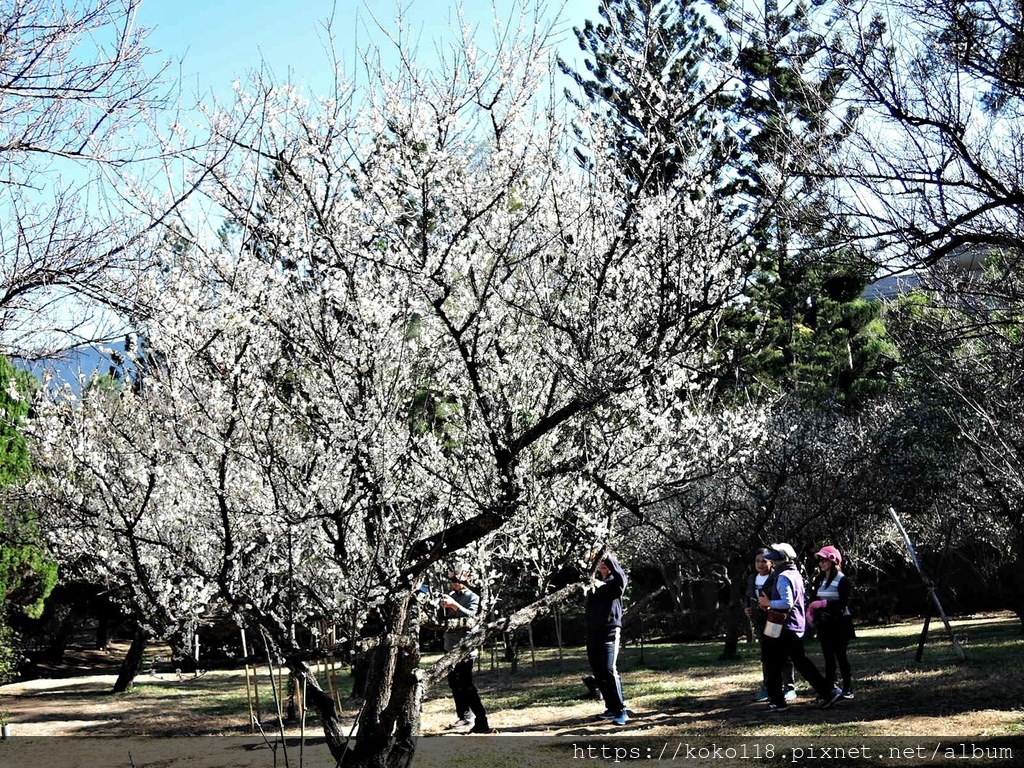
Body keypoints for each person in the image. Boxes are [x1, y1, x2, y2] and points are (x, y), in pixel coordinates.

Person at [757, 543, 844, 712]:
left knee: (773, 663)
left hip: (782, 625)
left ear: (782, 560)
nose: (772, 562)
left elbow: (786, 603)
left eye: (775, 559)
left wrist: (769, 603)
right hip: (792, 625)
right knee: (801, 662)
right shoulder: (795, 573)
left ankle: (778, 702)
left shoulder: (783, 577)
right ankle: (828, 691)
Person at [440, 566, 493, 734]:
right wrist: (439, 605)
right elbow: (442, 620)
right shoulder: (452, 596)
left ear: (465, 578)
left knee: (467, 686)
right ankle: (464, 717)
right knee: (454, 685)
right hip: (449, 647)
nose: (454, 584)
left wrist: (454, 606)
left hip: (465, 648)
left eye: (456, 580)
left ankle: (481, 721)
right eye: (452, 581)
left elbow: (472, 617)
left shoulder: (473, 597)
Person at [745, 548, 796, 702]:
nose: (760, 564)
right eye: (757, 561)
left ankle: (789, 686)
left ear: (771, 562)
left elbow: (784, 600)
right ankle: (768, 686)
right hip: (759, 622)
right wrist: (748, 609)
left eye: (764, 561)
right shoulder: (752, 578)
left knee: (783, 654)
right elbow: (749, 597)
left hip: (775, 619)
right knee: (766, 656)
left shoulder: (777, 577)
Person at [585, 552, 629, 726]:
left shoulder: (616, 582)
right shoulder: (592, 584)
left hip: (610, 632)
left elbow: (622, 578)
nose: (603, 564)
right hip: (593, 633)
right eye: (600, 562)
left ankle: (621, 710)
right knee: (599, 672)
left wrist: (606, 555)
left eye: (606, 562)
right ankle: (611, 707)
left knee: (609, 670)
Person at [810, 545, 855, 699]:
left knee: (841, 656)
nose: (821, 563)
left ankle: (848, 688)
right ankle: (829, 688)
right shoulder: (819, 579)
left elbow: (843, 603)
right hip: (824, 624)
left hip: (840, 623)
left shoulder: (843, 580)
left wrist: (825, 604)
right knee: (828, 658)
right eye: (820, 560)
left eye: (824, 560)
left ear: (833, 560)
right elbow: (815, 598)